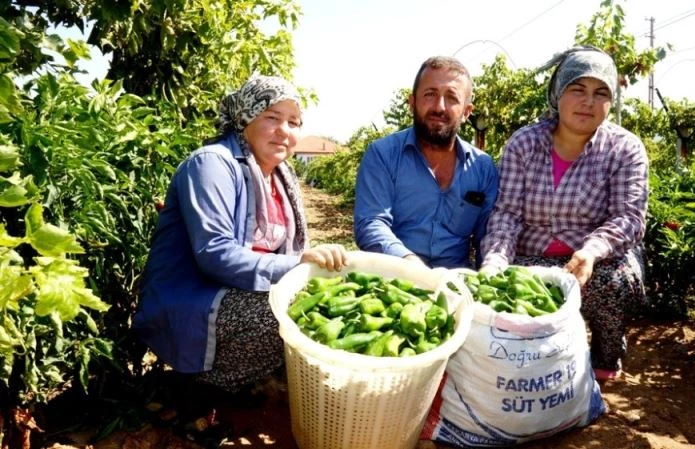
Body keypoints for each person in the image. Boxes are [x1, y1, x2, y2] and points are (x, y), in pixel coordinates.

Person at [133, 75, 348, 394]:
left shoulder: (280, 176)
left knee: (322, 303)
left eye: (293, 122)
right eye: (272, 118)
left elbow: (287, 250)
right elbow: (216, 255)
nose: (284, 131)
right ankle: (200, 388)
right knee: (284, 319)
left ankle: (250, 375)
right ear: (244, 118)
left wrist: (310, 266)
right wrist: (297, 265)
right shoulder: (211, 164)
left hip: (236, 291)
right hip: (193, 296)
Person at [480, 46, 649, 382]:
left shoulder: (625, 149)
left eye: (600, 92)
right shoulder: (524, 144)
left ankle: (606, 352)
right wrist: (494, 262)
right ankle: (535, 356)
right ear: (558, 94)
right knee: (501, 287)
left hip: (594, 261)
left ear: (611, 101)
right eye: (577, 89)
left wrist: (590, 252)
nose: (588, 101)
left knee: (611, 284)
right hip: (532, 258)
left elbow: (628, 217)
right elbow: (507, 213)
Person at [353, 56, 499, 269]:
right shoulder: (383, 155)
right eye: (430, 95)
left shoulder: (483, 167)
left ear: (467, 112)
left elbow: (488, 234)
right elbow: (371, 223)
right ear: (412, 103)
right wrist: (411, 264)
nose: (439, 107)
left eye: (452, 98)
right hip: (395, 282)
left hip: (456, 283)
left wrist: (489, 272)